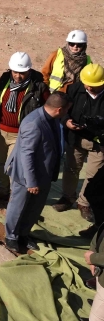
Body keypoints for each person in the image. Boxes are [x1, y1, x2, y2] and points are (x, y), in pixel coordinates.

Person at [4, 93, 68, 254]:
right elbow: (27, 155)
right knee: (18, 206)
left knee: (35, 207)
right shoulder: (34, 123)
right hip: (27, 175)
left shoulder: (52, 119)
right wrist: (31, 182)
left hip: (44, 173)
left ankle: (24, 234)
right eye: (67, 109)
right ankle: (11, 236)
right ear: (60, 109)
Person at [0, 52, 48, 199]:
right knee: (2, 162)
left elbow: (47, 109)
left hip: (21, 134)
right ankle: (2, 190)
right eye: (15, 72)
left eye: (22, 73)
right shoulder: (5, 80)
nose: (18, 76)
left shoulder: (38, 87)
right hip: (1, 130)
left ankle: (15, 197)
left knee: (13, 166)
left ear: (29, 70)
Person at [56, 63, 104, 221]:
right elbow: (63, 110)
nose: (89, 88)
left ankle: (84, 203)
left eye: (93, 86)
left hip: (99, 144)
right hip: (76, 139)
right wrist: (67, 121)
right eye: (87, 85)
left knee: (93, 175)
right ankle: (68, 198)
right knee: (71, 169)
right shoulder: (75, 89)